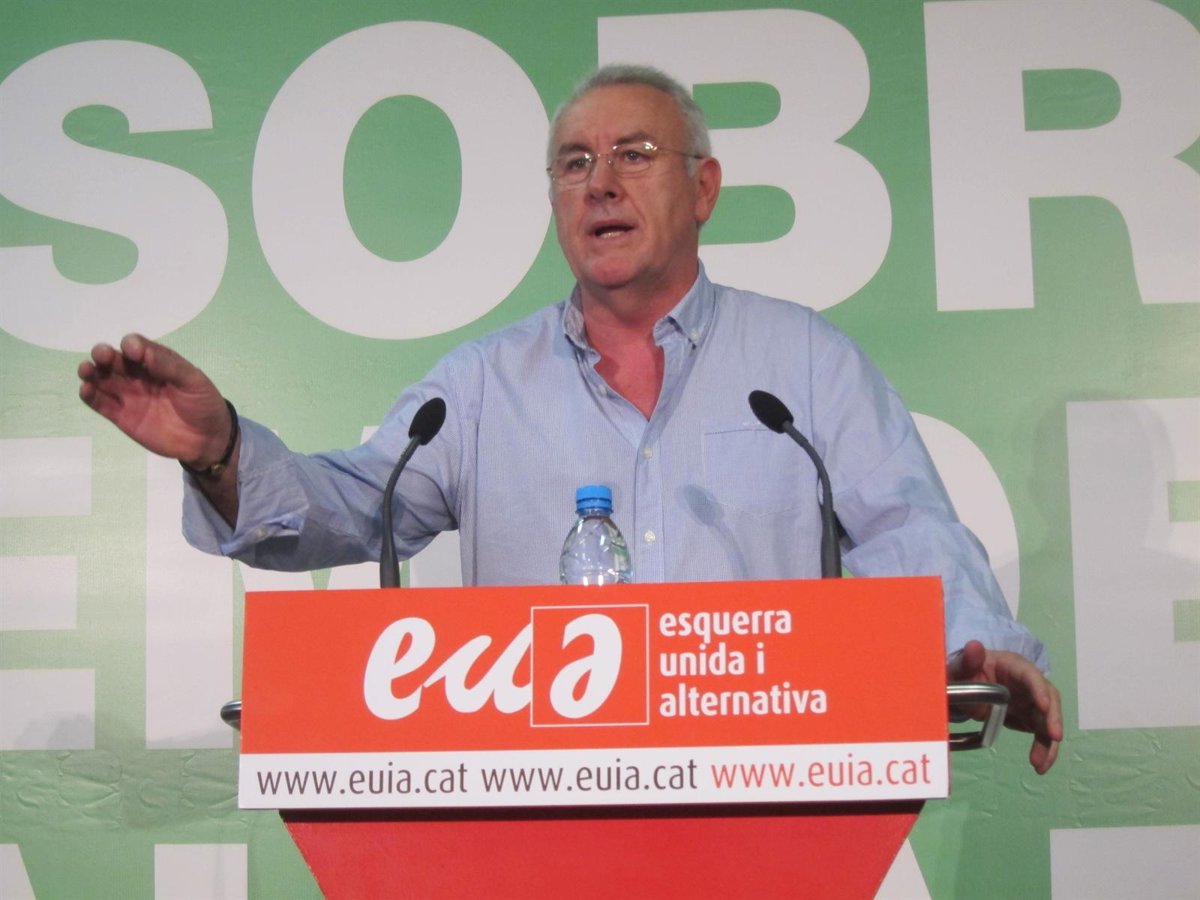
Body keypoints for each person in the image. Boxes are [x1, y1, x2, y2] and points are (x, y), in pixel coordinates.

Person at [78, 65, 1061, 773]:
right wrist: (220, 453)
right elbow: (353, 508)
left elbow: (905, 525)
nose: (601, 182)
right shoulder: (481, 385)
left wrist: (985, 649)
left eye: (635, 154)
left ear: (704, 188)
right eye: (574, 162)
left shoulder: (802, 361)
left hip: (768, 786)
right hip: (539, 802)